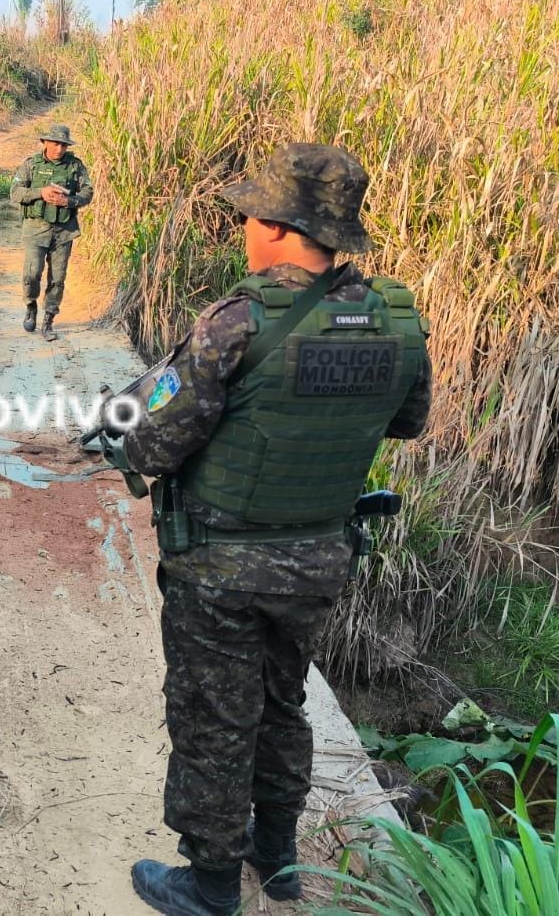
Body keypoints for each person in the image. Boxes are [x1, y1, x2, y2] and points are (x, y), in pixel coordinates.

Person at [115, 143, 432, 916]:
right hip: (319, 562)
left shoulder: (237, 321)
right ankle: (278, 857)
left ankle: (211, 883)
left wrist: (133, 420)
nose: (246, 230)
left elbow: (151, 442)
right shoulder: (393, 318)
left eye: (253, 217)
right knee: (282, 705)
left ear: (282, 229)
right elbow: (408, 420)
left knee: (214, 718)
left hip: (220, 569)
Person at [10, 124, 93, 342]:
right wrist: (41, 192)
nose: (59, 149)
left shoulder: (75, 166)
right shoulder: (31, 165)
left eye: (64, 145)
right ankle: (31, 306)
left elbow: (88, 192)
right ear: (45, 142)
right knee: (31, 274)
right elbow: (15, 193)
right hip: (36, 228)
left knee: (57, 279)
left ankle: (48, 321)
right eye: (55, 144)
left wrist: (69, 201)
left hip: (64, 230)